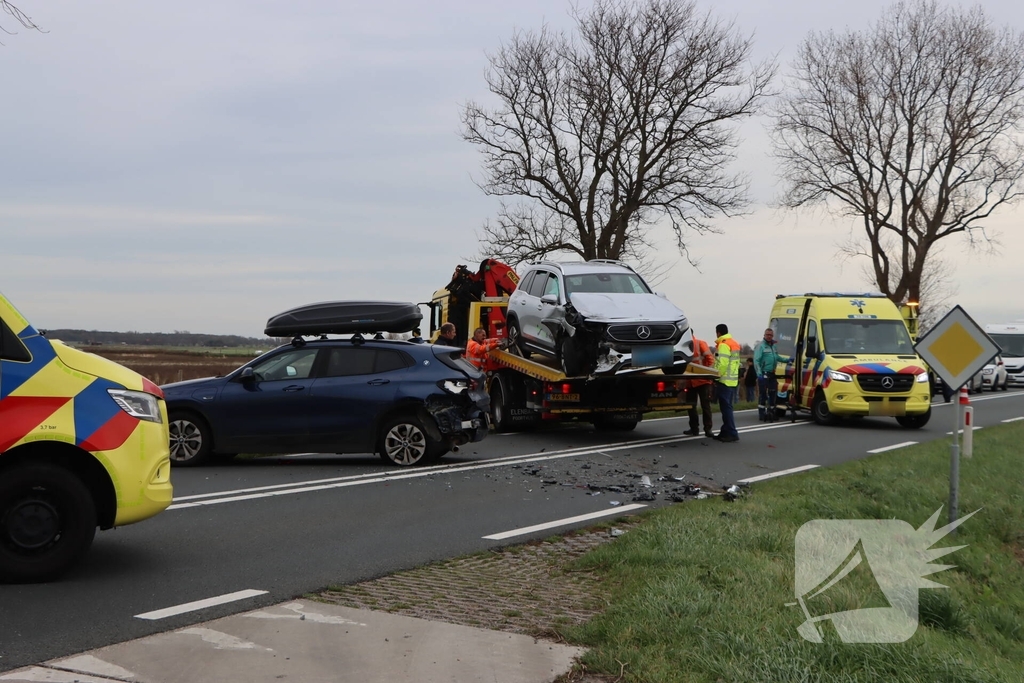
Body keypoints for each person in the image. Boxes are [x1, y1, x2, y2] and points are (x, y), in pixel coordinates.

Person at [681, 330, 715, 438]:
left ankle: (707, 429)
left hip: (703, 381)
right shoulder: (682, 345)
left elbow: (711, 360)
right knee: (692, 406)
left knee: (704, 406)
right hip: (690, 381)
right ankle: (695, 428)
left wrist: (707, 374)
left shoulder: (700, 343)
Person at [713, 323, 741, 442]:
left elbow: (722, 364)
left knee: (726, 408)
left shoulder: (724, 344)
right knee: (727, 407)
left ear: (718, 333)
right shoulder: (734, 343)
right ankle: (725, 431)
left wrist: (715, 376)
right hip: (732, 380)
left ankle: (731, 432)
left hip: (724, 380)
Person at [753, 328, 784, 421]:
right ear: (764, 335)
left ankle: (771, 412)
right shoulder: (761, 346)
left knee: (773, 392)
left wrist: (787, 360)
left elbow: (777, 357)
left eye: (771, 335)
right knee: (763, 393)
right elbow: (756, 361)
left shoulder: (773, 346)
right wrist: (759, 374)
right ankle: (762, 414)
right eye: (767, 335)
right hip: (763, 373)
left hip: (772, 373)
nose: (769, 336)